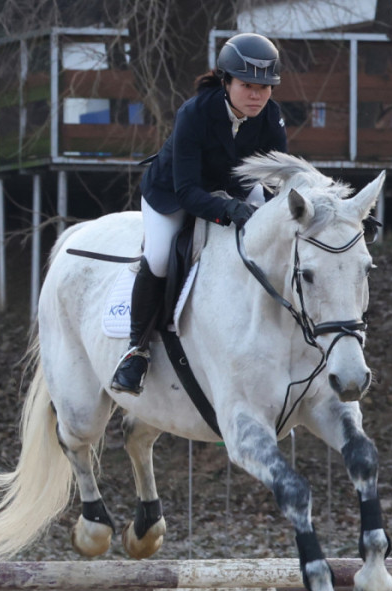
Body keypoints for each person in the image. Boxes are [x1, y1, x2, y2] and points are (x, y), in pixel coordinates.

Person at [110, 32, 288, 396]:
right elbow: (188, 192)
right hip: (173, 194)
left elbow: (282, 180)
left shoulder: (271, 116)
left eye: (265, 87)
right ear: (226, 82)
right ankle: (136, 351)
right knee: (159, 257)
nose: (257, 95)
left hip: (234, 187)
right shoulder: (194, 113)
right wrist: (229, 210)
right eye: (247, 85)